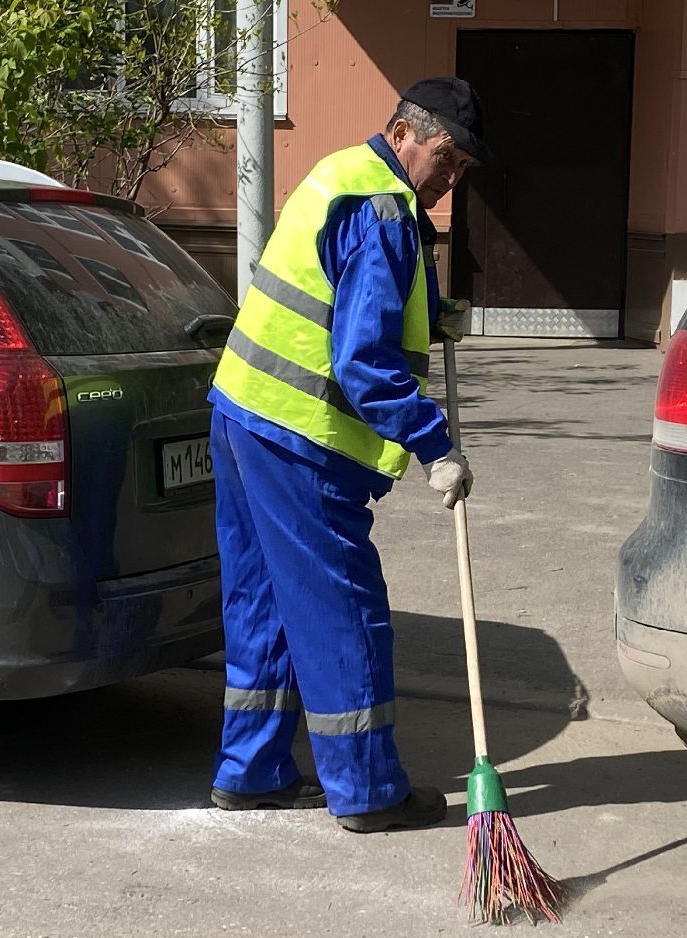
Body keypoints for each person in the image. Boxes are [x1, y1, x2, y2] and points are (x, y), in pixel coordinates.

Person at [205, 77, 486, 832]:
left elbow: (346, 292)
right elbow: (362, 362)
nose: (451, 178)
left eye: (463, 169)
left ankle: (251, 772)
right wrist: (436, 446)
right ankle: (366, 790)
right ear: (402, 134)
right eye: (445, 158)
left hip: (242, 412)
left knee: (261, 602)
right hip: (301, 439)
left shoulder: (342, 174)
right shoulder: (383, 210)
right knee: (344, 609)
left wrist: (436, 311)